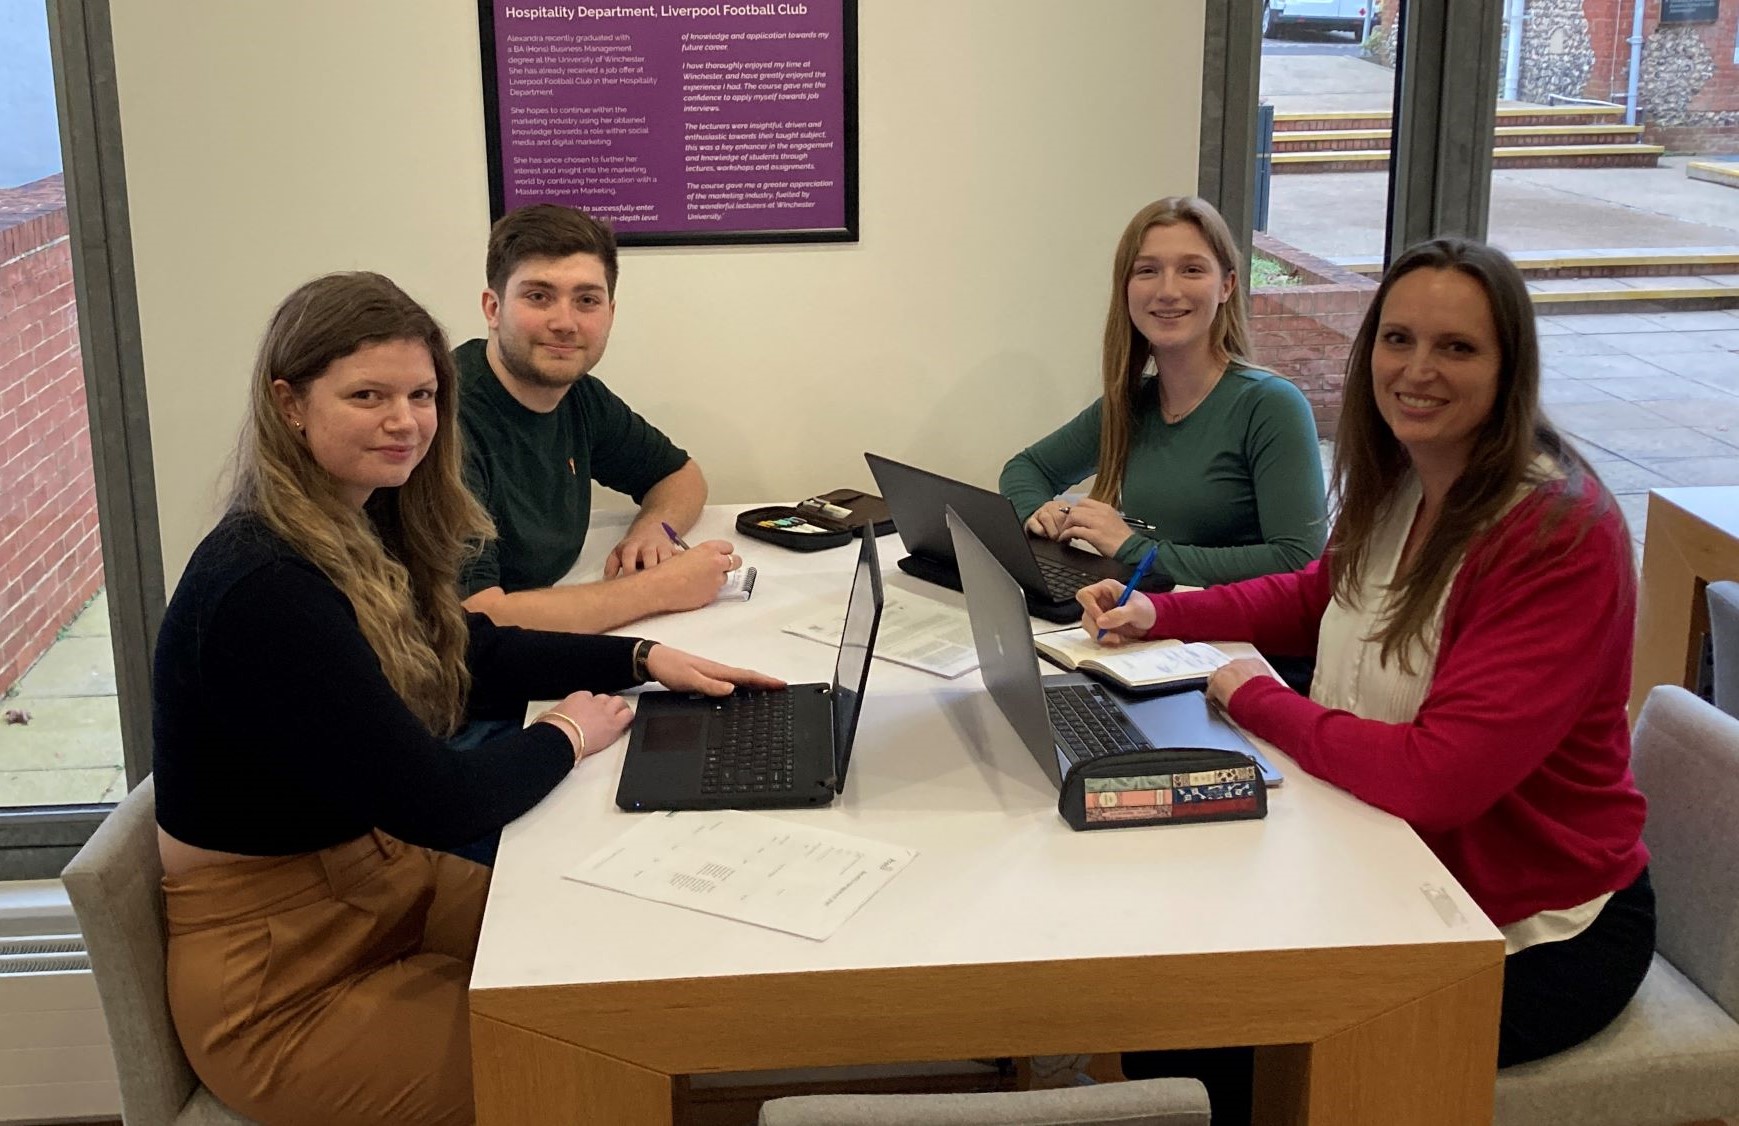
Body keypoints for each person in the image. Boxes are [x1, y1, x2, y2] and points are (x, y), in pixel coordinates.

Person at [152, 272, 781, 1126]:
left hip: (374, 888)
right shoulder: (267, 585)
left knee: (634, 972)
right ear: (289, 403)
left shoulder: (356, 521)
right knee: (595, 1074)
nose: (404, 420)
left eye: (420, 394)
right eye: (367, 395)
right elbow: (441, 802)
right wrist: (566, 730)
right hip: (283, 977)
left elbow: (466, 650)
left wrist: (638, 654)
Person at [1085, 239, 1653, 1105]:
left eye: (1456, 348)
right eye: (1397, 340)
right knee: (1164, 999)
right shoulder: (1404, 475)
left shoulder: (1555, 533)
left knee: (1209, 1047)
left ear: (1509, 368)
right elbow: (1321, 594)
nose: (1417, 370)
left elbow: (1436, 778)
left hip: (1527, 929)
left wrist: (1255, 697)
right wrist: (1165, 613)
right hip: (1382, 860)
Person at [1000, 196, 1327, 589]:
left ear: (1226, 285)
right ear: (1126, 288)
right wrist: (1038, 511)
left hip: (1231, 642)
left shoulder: (1271, 405)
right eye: (1148, 271)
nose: (1167, 290)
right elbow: (1025, 469)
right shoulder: (1132, 402)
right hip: (1147, 621)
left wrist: (1136, 549)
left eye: (1191, 270)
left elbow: (1297, 560)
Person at [457, 203, 738, 633]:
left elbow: (680, 475)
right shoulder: (442, 419)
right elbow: (481, 617)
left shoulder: (579, 396)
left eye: (586, 300)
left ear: (610, 312)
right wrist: (662, 587)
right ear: (493, 308)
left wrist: (655, 530)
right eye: (538, 296)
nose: (565, 322)